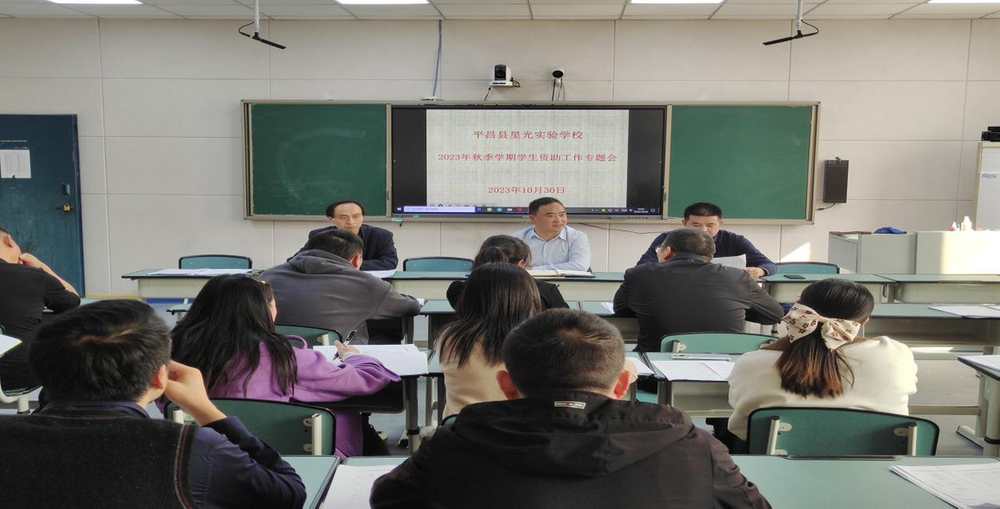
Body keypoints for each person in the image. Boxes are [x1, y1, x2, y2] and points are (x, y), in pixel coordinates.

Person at [371, 309, 770, 509]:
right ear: (622, 384)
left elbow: (387, 500)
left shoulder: (454, 441)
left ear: (506, 385)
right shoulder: (695, 446)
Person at [0, 300, 306, 508]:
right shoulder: (186, 446)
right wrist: (205, 409)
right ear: (161, 377)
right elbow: (288, 495)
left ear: (40, 368)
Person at [170, 275, 400, 457]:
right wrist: (353, 357)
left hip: (195, 455)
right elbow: (365, 380)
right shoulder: (281, 357)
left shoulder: (175, 354)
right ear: (266, 310)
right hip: (284, 457)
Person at [727, 279, 918, 440]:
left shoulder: (751, 362)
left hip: (772, 466)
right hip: (875, 466)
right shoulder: (896, 355)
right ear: (863, 323)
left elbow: (742, 428)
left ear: (799, 309)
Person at [614, 228, 784, 353]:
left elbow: (621, 309)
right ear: (710, 256)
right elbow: (773, 315)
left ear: (667, 251)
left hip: (656, 375)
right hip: (724, 376)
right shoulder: (738, 277)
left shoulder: (639, 274)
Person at [264, 229, 421, 344]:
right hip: (336, 361)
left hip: (273, 357)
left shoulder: (268, 275)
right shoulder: (367, 284)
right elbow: (411, 307)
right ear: (357, 260)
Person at [436, 263, 543, 418]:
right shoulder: (540, 341)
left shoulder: (450, 337)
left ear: (469, 298)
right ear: (529, 297)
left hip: (463, 432)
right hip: (520, 433)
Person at [0, 226, 80, 391]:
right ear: (8, 240)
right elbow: (73, 300)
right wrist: (41, 268)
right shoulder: (33, 277)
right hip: (17, 377)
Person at [636, 202, 777, 278]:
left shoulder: (735, 241)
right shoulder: (668, 239)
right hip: (677, 288)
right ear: (684, 224)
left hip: (722, 291)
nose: (703, 230)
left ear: (720, 225)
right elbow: (643, 266)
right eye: (696, 225)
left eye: (710, 225)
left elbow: (768, 264)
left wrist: (759, 271)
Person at [446, 235, 569, 310]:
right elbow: (567, 325)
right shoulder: (545, 291)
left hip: (474, 350)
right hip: (531, 351)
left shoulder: (458, 291)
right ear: (521, 264)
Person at [299, 200, 398, 271]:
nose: (351, 222)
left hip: (369, 281)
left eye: (356, 216)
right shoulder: (319, 235)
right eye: (343, 217)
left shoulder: (381, 235)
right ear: (331, 219)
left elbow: (390, 262)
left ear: (363, 217)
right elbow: (297, 259)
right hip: (330, 282)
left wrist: (340, 265)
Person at [512, 197, 591, 271]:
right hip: (528, 283)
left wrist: (533, 269)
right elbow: (510, 266)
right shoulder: (517, 239)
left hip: (566, 283)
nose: (559, 220)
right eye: (551, 216)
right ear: (533, 218)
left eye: (562, 215)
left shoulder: (577, 237)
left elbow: (580, 265)